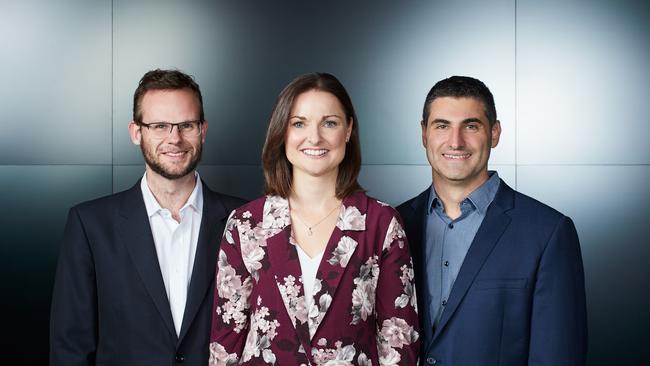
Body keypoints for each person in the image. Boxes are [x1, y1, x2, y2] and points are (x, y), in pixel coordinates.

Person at [208, 73, 420, 365]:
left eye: (329, 123)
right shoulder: (246, 224)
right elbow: (226, 342)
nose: (315, 137)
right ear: (283, 132)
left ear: (348, 130)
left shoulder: (382, 224)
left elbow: (399, 342)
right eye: (299, 123)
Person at [50, 69, 245, 366]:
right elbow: (70, 347)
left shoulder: (244, 221)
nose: (175, 138)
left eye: (186, 125)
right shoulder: (90, 225)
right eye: (160, 126)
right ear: (136, 132)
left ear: (203, 130)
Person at [397, 75, 588, 365]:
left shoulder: (548, 232)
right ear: (424, 133)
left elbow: (557, 355)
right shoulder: (392, 225)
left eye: (471, 126)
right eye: (442, 125)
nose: (455, 141)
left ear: (495, 133)